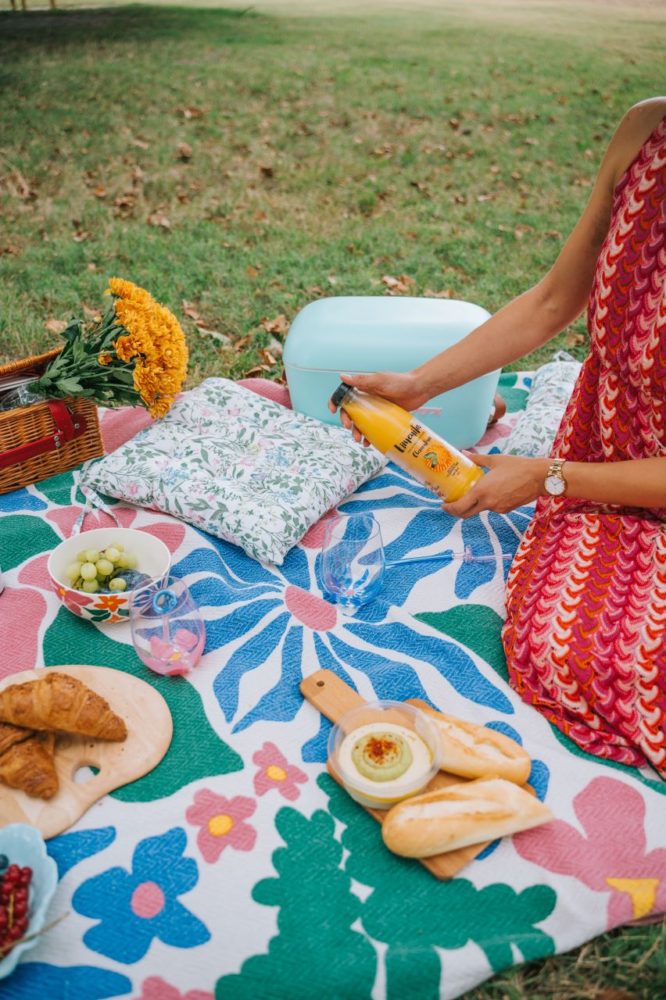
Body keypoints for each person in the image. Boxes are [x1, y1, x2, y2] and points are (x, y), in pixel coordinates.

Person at [331, 97, 666, 777]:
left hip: (615, 476)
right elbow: (553, 298)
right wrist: (421, 385)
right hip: (607, 448)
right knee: (562, 647)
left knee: (631, 665)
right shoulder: (645, 131)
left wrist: (548, 476)